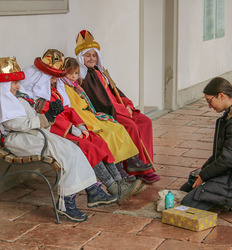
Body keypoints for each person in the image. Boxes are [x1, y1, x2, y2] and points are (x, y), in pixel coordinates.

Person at [21, 49, 145, 205]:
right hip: (58, 132)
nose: (54, 81)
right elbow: (51, 119)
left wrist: (79, 125)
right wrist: (71, 129)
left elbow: (67, 110)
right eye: (52, 77)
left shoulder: (51, 91)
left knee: (98, 141)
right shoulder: (39, 98)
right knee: (88, 146)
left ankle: (120, 182)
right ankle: (112, 186)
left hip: (70, 127)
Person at [0, 56, 109, 222]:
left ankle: (92, 190)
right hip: (17, 140)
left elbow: (32, 119)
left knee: (73, 148)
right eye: (14, 83)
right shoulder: (3, 102)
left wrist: (49, 115)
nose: (18, 86)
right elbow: (19, 125)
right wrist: (47, 117)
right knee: (65, 154)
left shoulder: (16, 98)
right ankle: (66, 204)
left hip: (31, 135)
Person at [75, 30, 160, 184]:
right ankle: (136, 168)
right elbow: (99, 102)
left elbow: (115, 90)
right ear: (81, 57)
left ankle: (145, 165)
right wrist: (123, 111)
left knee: (145, 121)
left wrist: (127, 104)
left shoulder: (100, 72)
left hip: (119, 107)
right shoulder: (86, 77)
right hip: (109, 111)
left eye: (94, 55)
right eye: (88, 55)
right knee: (131, 125)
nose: (92, 58)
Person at [60, 57, 153, 181]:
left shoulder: (77, 86)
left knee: (118, 128)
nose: (73, 76)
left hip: (92, 115)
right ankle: (119, 170)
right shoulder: (66, 88)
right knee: (109, 135)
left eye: (76, 73)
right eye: (69, 73)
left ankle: (132, 161)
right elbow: (75, 109)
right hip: (85, 119)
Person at [181, 77, 232, 212]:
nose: (209, 106)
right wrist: (203, 172)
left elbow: (227, 160)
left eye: (210, 101)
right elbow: (221, 155)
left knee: (187, 204)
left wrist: (205, 176)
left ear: (221, 96)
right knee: (188, 186)